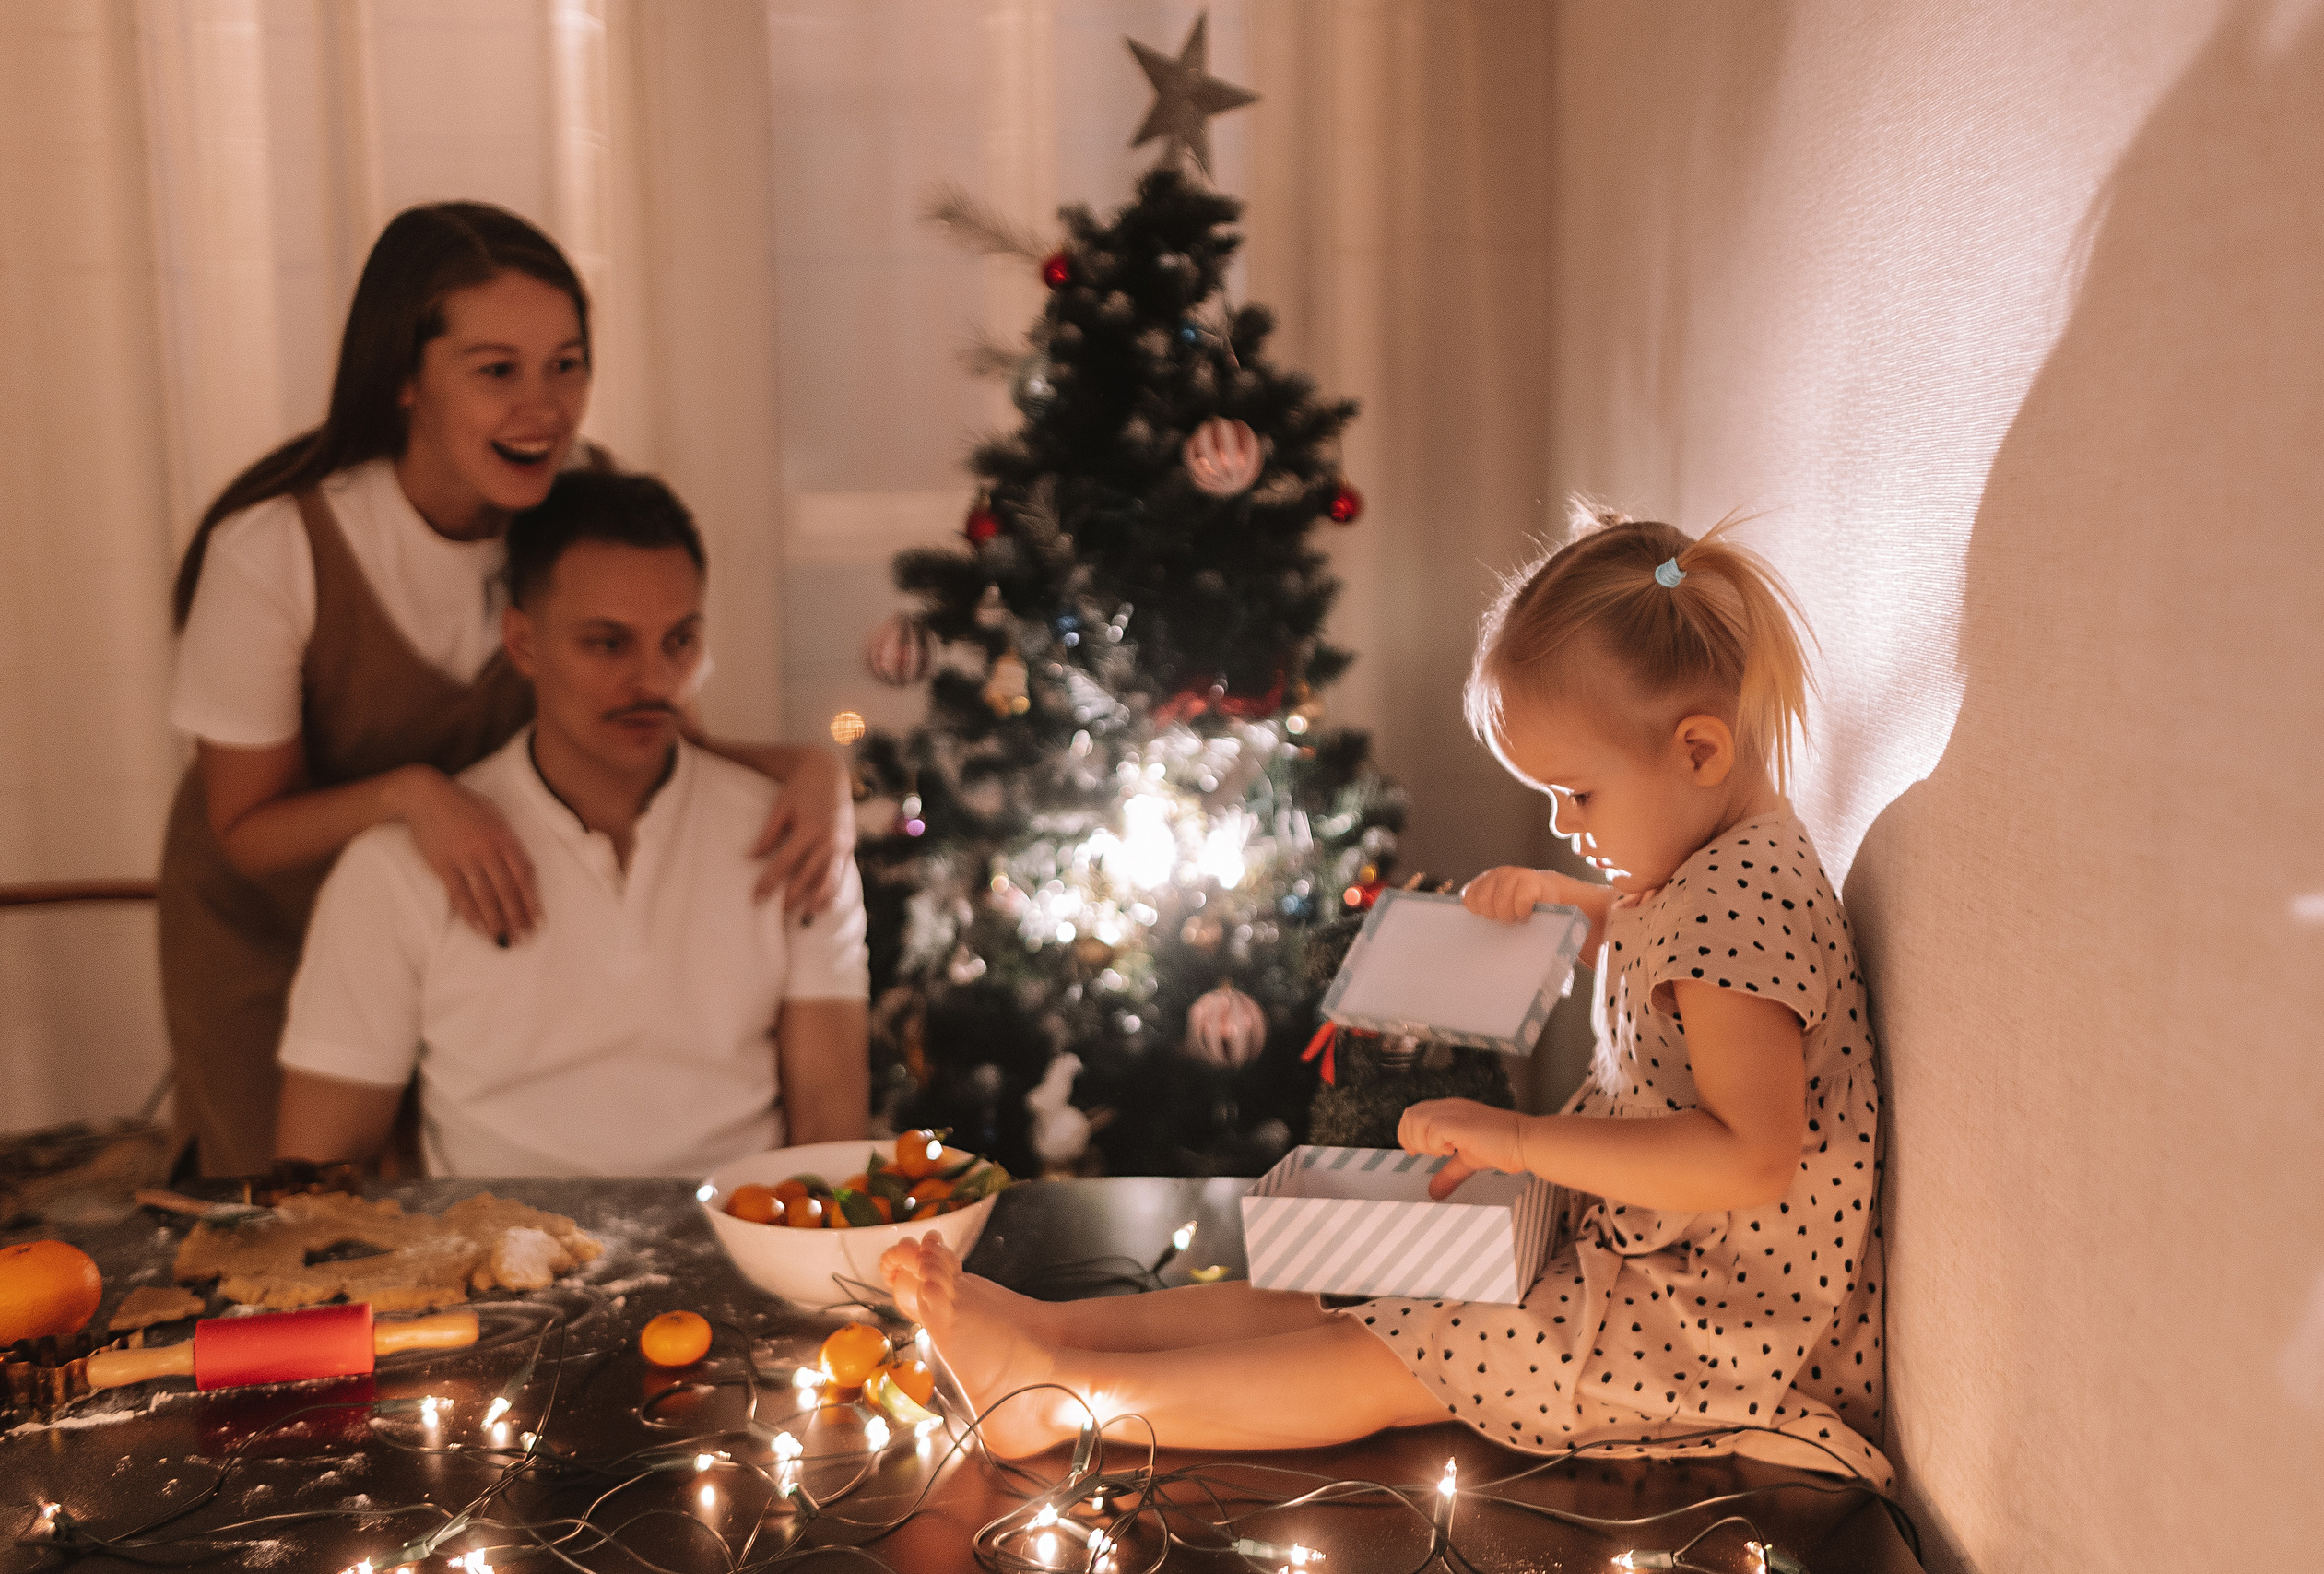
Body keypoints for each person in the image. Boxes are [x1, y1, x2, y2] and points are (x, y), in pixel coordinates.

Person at [880, 507, 1891, 1484]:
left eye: (1575, 794)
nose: (1565, 826)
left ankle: (1062, 1395)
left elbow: (1752, 1155)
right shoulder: (1709, 871)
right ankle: (1049, 1329)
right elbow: (1669, 976)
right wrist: (1577, 911)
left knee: (1394, 1355)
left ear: (1700, 751)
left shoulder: (1738, 906)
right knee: (1351, 1291)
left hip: (1705, 1324)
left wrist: (1517, 1139)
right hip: (1638, 1256)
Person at [162, 202, 850, 1176]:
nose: (545, 408)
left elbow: (652, 719)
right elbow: (245, 830)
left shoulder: (579, 510)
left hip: (473, 934)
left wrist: (809, 769)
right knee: (285, 1228)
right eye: (497, 371)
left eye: (566, 364)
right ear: (404, 379)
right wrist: (413, 797)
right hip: (273, 927)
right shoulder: (276, 552)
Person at [271, 470, 868, 1178]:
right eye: (609, 644)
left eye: (679, 640)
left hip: (737, 1249)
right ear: (522, 643)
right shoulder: (398, 867)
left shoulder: (792, 837)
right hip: (499, 1267)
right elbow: (313, 1170)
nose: (653, 680)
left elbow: (831, 1139)